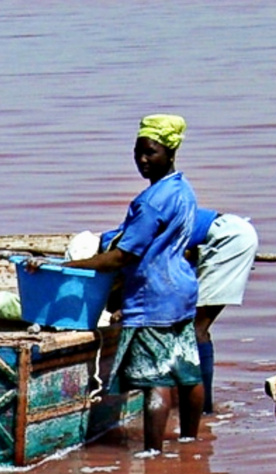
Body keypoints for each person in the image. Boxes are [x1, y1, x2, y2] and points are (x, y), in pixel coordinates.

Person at [59, 112, 201, 455]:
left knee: (156, 379)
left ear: (169, 153)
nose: (142, 160)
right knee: (187, 371)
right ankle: (191, 442)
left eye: (150, 152)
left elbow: (121, 257)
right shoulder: (183, 189)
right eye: (137, 151)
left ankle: (152, 453)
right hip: (181, 289)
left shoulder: (150, 202)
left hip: (153, 295)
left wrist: (69, 267)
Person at [188, 207, 259, 413]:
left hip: (228, 239)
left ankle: (203, 408)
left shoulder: (143, 229)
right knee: (196, 327)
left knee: (196, 328)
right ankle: (201, 404)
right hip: (232, 233)